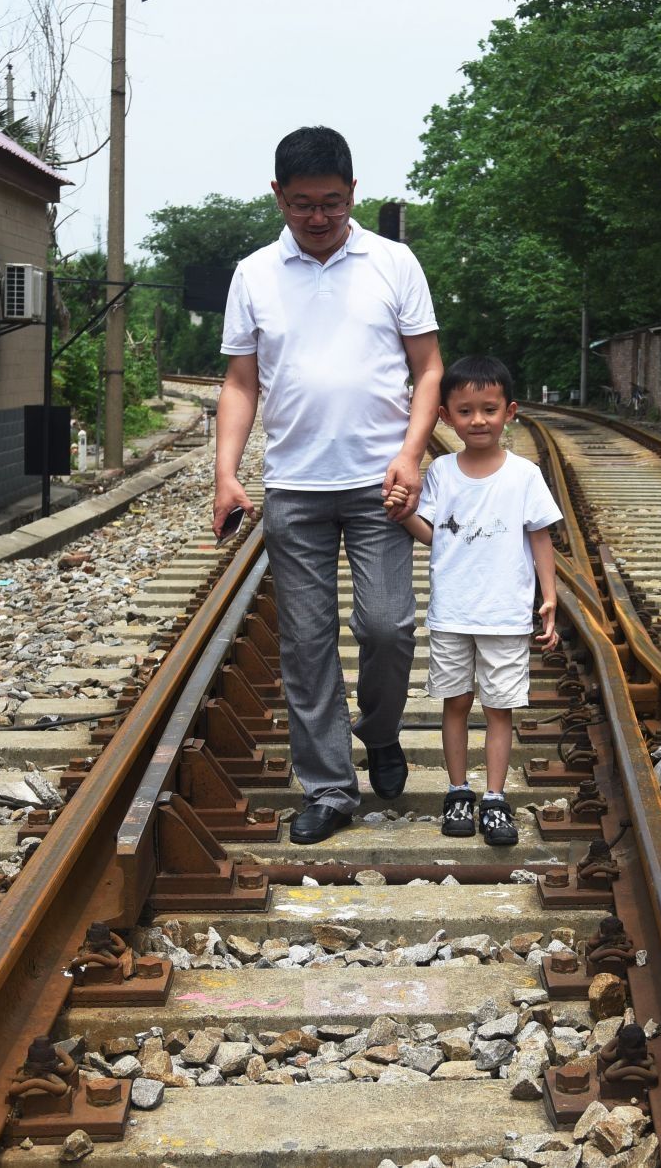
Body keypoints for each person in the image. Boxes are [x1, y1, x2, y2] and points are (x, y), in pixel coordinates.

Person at [213, 126, 443, 845]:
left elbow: (430, 368)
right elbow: (241, 381)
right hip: (295, 486)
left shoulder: (393, 263)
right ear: (277, 196)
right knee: (306, 645)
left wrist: (412, 453)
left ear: (354, 195)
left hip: (383, 485)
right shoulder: (253, 273)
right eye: (303, 204)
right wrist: (226, 472)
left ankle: (380, 733)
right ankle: (330, 789)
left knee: (388, 628)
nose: (318, 218)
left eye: (334, 204)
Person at [389, 355, 561, 847]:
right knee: (457, 702)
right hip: (452, 613)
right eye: (465, 411)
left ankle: (493, 797)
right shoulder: (441, 472)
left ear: (510, 411)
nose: (478, 420)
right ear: (445, 416)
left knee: (500, 708)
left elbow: (540, 538)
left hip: (505, 614)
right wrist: (403, 515)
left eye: (489, 409)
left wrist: (547, 598)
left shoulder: (524, 475)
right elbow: (432, 536)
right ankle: (458, 790)